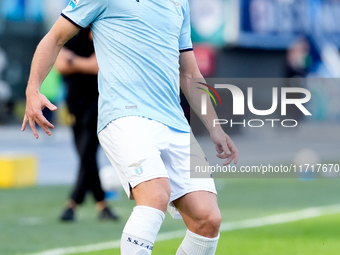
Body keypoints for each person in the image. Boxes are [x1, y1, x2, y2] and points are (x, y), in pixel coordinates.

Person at [22, 1, 239, 254]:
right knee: (155, 195)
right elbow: (56, 37)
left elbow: (189, 73)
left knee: (208, 219)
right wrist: (32, 88)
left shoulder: (180, 2)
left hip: (174, 121)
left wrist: (215, 128)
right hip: (125, 115)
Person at [54, 27, 118, 221]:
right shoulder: (73, 33)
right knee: (84, 154)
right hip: (74, 104)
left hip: (98, 103)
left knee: (86, 153)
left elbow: (96, 66)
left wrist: (72, 60)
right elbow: (60, 64)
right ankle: (102, 205)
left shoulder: (104, 33)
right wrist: (79, 63)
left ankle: (72, 203)